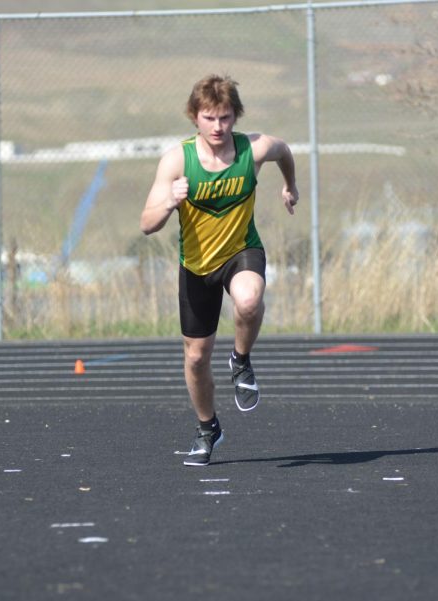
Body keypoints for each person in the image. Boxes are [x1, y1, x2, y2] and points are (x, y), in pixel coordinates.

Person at [140, 74, 299, 466]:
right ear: (195, 117)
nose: (218, 127)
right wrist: (169, 204)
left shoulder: (253, 149)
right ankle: (207, 428)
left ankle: (241, 360)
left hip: (241, 250)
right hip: (196, 267)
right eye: (209, 118)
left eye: (225, 118)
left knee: (248, 300)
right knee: (196, 358)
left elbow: (284, 151)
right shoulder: (178, 161)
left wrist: (289, 187)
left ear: (235, 116)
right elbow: (146, 223)